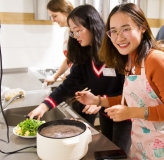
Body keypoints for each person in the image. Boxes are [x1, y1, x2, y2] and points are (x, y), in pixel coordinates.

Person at [75, 3, 164, 159]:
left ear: (142, 27)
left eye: (126, 29)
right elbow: (133, 99)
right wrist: (97, 100)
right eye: (113, 31)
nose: (119, 37)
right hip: (141, 141)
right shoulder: (130, 61)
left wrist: (130, 112)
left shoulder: (155, 60)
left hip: (163, 144)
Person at [28, 4, 132, 154]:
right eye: (73, 32)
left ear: (92, 26)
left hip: (124, 116)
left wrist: (100, 100)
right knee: (108, 149)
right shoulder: (85, 56)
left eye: (78, 30)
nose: (75, 36)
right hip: (105, 113)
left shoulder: (118, 51)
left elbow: (128, 90)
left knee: (119, 154)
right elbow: (70, 84)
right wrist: (44, 106)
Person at [45, 0, 74, 85]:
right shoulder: (67, 32)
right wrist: (55, 76)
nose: (53, 20)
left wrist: (71, 72)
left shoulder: (78, 33)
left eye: (55, 16)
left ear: (65, 13)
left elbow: (85, 60)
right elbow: (70, 59)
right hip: (73, 80)